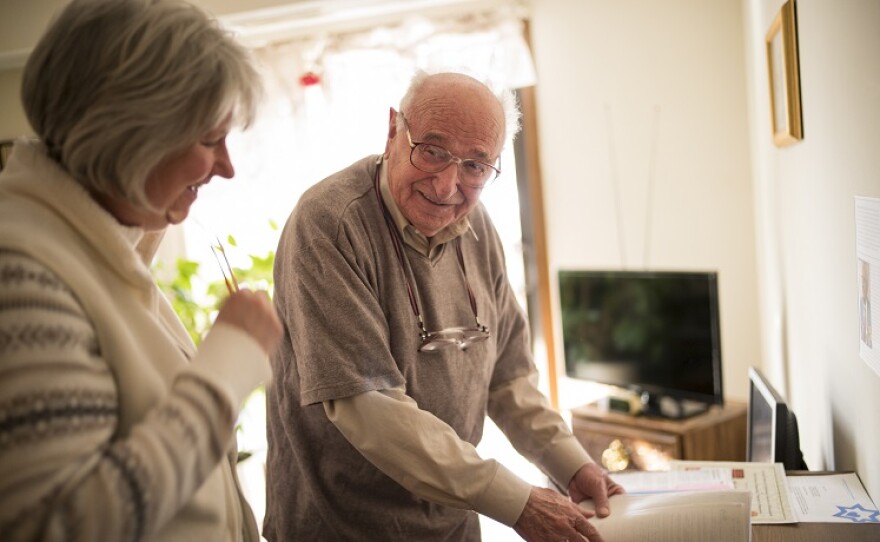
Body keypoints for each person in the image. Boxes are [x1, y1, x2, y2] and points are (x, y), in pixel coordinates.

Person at [264, 70, 623, 541]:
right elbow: (367, 407)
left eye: (476, 165)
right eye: (432, 150)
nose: (447, 184)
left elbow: (509, 377)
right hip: (342, 526)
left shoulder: (478, 227)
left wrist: (571, 464)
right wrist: (518, 503)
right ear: (393, 130)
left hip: (450, 524)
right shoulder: (329, 223)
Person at [0, 0, 282, 540]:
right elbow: (57, 527)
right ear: (131, 133)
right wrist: (226, 370)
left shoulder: (91, 250)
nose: (227, 167)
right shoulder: (21, 270)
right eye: (208, 140)